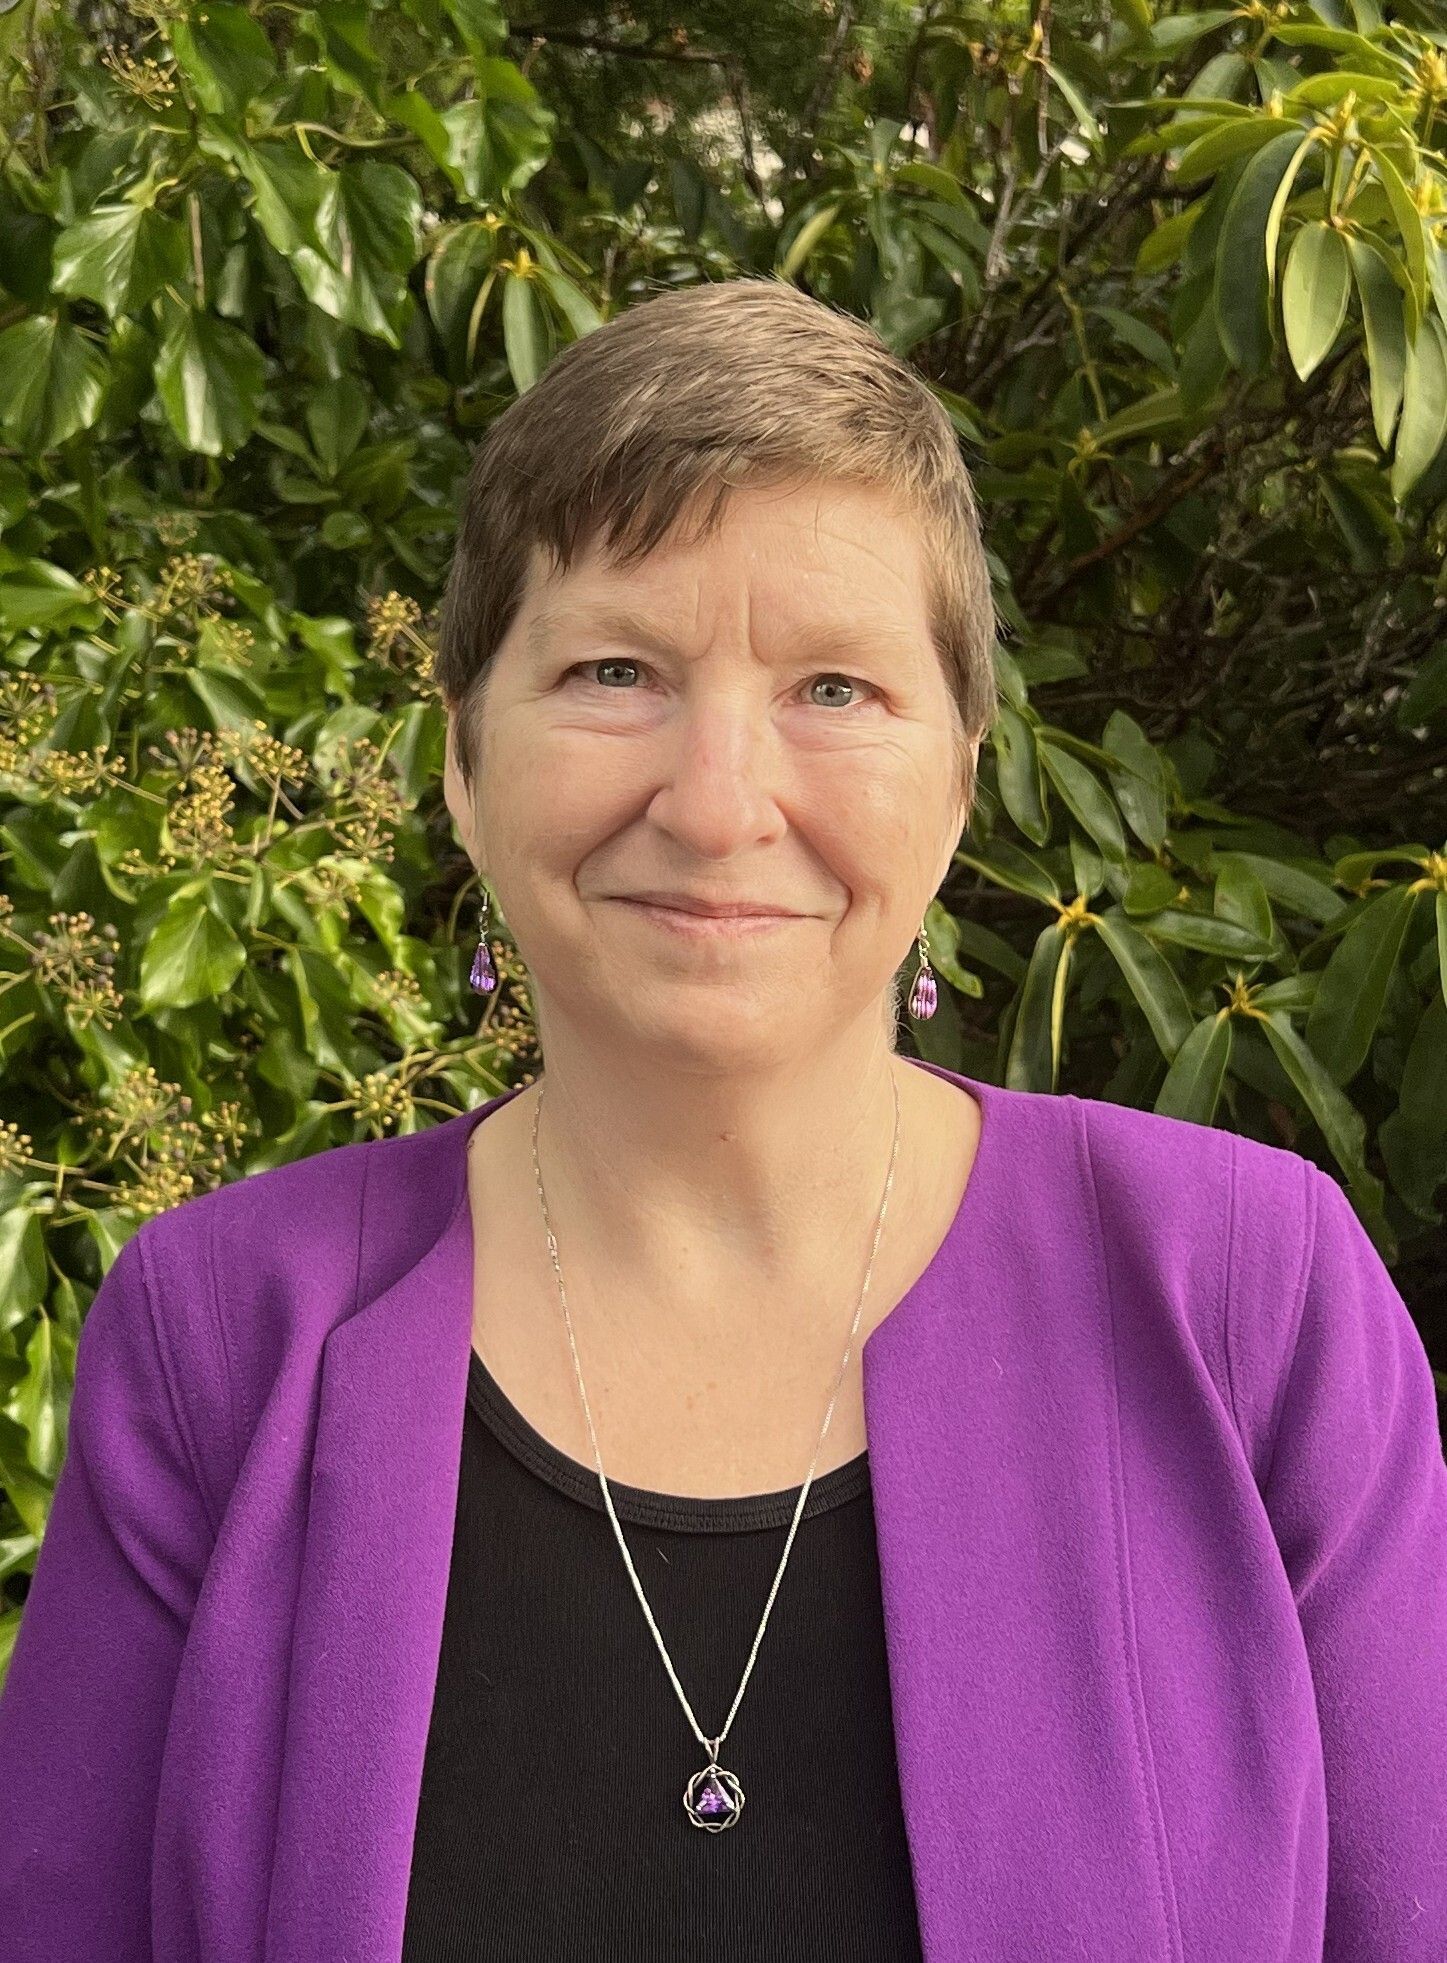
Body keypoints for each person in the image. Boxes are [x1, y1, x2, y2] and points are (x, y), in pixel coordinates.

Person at [1, 274, 1444, 1963]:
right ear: (463, 759)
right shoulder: (217, 1338)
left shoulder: (1252, 1298)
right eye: (615, 669)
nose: (717, 803)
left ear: (961, 776)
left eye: (835, 688)